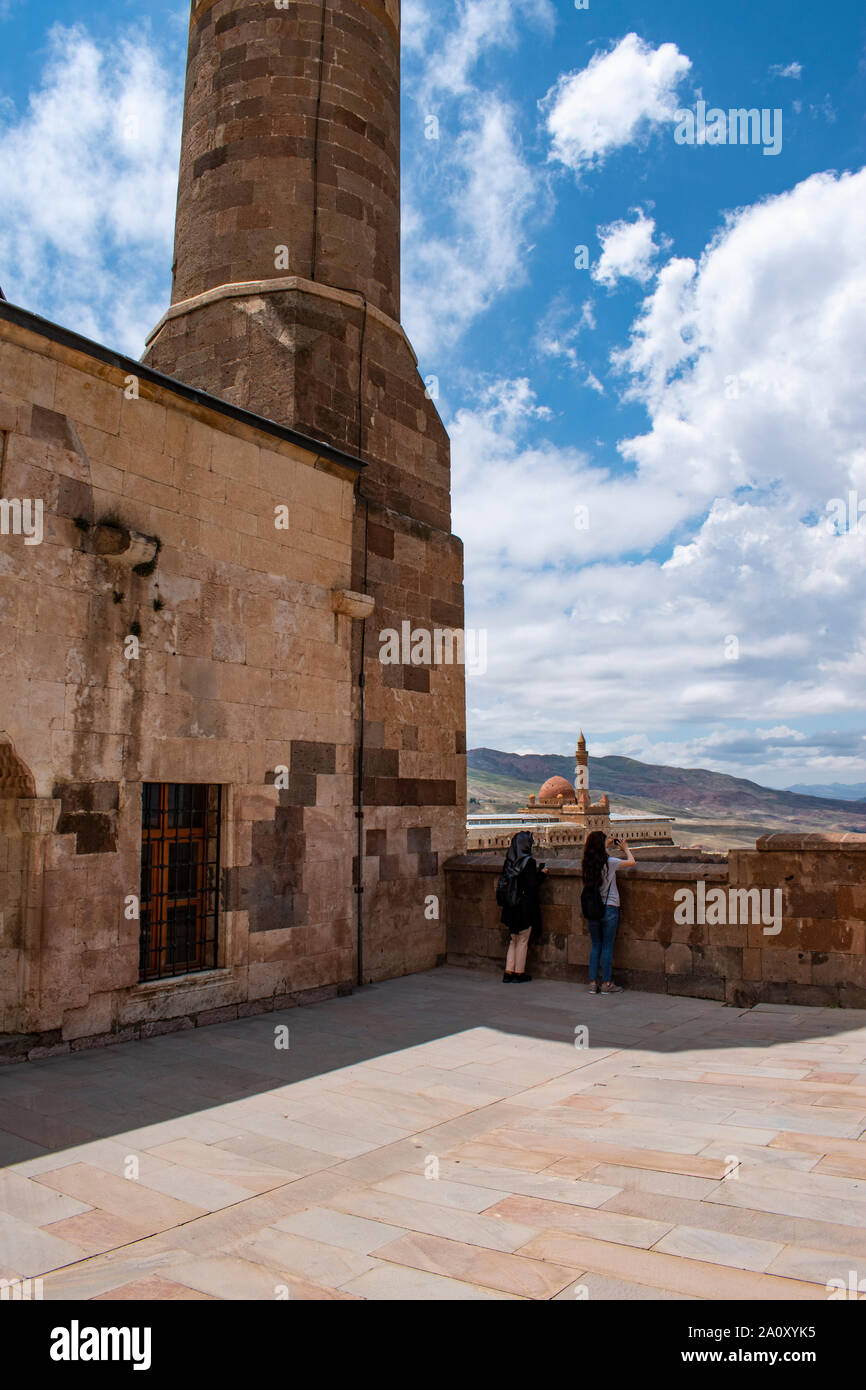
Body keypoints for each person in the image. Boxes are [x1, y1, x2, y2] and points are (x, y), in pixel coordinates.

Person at [581, 830, 635, 994]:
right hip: (609, 907)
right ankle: (606, 983)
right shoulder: (610, 862)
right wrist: (625, 849)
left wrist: (605, 843)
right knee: (607, 946)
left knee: (595, 945)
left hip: (592, 908)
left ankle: (592, 982)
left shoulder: (586, 863)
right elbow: (632, 862)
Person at [499, 830, 547, 983]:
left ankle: (508, 972)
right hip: (524, 908)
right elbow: (532, 885)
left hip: (510, 906)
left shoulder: (509, 862)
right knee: (523, 940)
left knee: (513, 939)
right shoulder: (529, 862)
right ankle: (519, 973)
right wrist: (542, 874)